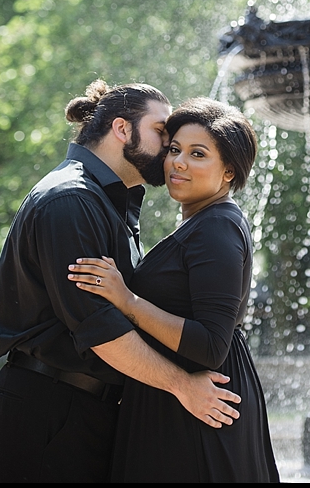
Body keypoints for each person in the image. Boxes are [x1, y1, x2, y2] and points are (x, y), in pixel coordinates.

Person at [0, 81, 243, 483]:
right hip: (49, 410)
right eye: (162, 134)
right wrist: (183, 386)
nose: (170, 146)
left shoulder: (108, 203)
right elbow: (100, 329)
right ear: (123, 130)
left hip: (85, 410)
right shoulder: (70, 201)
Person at [67, 97, 279, 482]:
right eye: (175, 150)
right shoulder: (202, 222)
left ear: (229, 171)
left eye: (198, 154)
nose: (178, 163)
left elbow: (212, 344)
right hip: (180, 403)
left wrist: (128, 302)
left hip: (201, 409)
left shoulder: (218, 227)